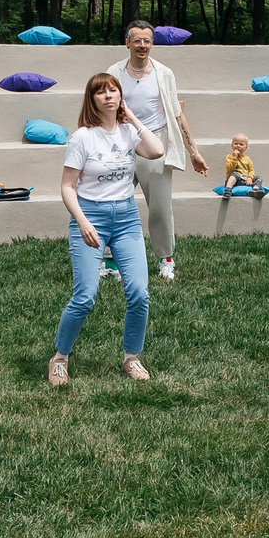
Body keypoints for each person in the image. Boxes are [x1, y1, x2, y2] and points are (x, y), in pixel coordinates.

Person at [49, 72, 165, 386]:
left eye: (114, 90)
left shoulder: (129, 132)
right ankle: (59, 357)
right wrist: (82, 222)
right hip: (90, 217)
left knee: (139, 293)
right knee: (85, 296)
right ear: (92, 100)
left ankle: (131, 357)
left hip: (126, 218)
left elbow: (157, 151)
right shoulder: (82, 137)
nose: (109, 96)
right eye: (101, 92)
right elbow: (67, 186)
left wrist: (134, 119)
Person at [106, 20, 207, 280]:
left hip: (155, 142)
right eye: (137, 41)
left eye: (147, 41)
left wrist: (194, 152)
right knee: (111, 203)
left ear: (152, 43)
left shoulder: (164, 73)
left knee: (160, 207)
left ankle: (166, 259)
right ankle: (111, 262)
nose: (142, 45)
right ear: (127, 43)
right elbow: (104, 109)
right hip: (122, 142)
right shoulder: (114, 72)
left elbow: (177, 114)